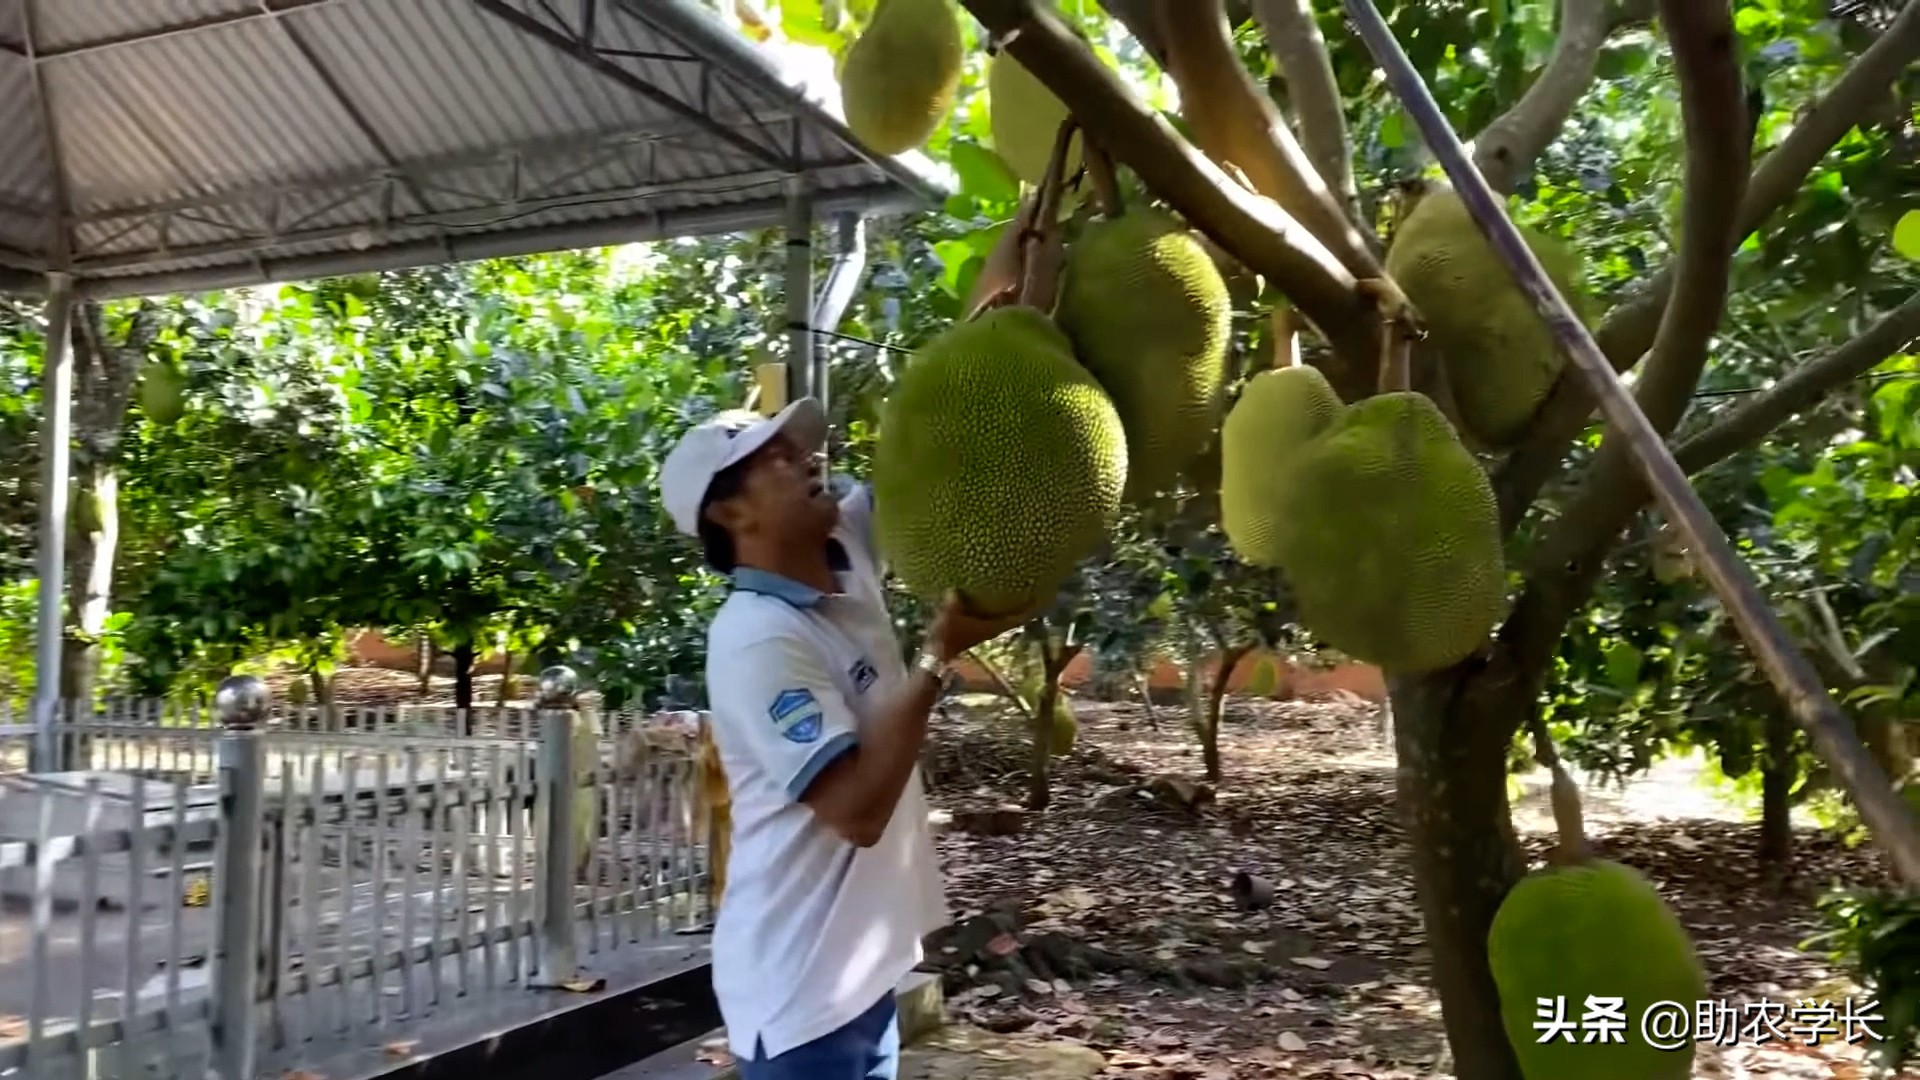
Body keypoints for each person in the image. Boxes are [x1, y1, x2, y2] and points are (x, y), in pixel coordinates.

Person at [659, 397, 1033, 1080]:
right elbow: (856, 811)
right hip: (800, 990)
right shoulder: (757, 638)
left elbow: (935, 444)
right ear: (728, 513)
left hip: (860, 979)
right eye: (772, 458)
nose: (804, 459)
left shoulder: (845, 553)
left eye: (796, 448)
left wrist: (1015, 310)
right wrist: (938, 656)